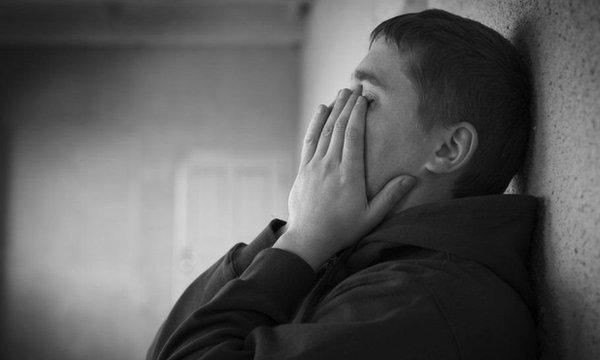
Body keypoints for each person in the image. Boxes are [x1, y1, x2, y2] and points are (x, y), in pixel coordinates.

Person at [146, 9, 537, 360]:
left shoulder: (422, 305)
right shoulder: (366, 259)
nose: (336, 113)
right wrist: (300, 234)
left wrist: (301, 241)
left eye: (366, 95)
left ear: (449, 148)